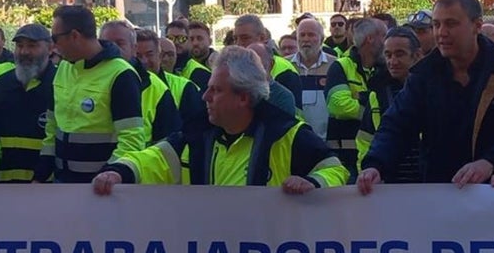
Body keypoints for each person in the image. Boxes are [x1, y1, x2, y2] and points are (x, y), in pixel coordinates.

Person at [357, 0, 494, 193]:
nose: (441, 32)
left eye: (451, 24)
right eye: (436, 25)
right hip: (441, 194)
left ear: (477, 26)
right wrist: (375, 165)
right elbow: (397, 124)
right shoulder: (424, 75)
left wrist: (491, 161)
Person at [92, 46, 348, 191]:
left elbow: (336, 169)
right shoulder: (195, 134)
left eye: (216, 90)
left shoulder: (288, 134)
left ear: (244, 98)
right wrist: (119, 171)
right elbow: (154, 159)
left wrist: (313, 183)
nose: (205, 97)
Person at [46, 5, 143, 182]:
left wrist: (109, 175)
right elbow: (52, 126)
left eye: (55, 38)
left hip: (101, 190)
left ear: (74, 36)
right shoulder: (63, 68)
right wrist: (42, 171)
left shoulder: (121, 74)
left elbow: (132, 140)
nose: (53, 45)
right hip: (62, 183)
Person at [0, 24, 55, 182]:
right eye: (20, 46)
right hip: (3, 186)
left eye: (32, 46)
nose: (24, 52)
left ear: (50, 48)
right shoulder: (1, 84)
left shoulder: (59, 84)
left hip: (48, 186)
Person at [356, 27, 422, 184]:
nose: (393, 61)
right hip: (389, 184)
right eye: (388, 55)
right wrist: (368, 170)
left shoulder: (433, 89)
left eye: (400, 54)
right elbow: (365, 141)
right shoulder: (377, 93)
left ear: (417, 55)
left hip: (429, 184)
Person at [326, 16, 388, 177]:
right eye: (384, 36)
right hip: (344, 159)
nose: (387, 41)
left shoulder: (387, 69)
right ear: (370, 39)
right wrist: (374, 108)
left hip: (378, 157)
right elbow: (338, 106)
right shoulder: (340, 66)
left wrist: (360, 98)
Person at [100, 20, 180, 144]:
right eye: (107, 43)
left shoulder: (156, 87)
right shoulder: (86, 77)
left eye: (119, 43)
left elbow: (168, 144)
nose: (112, 48)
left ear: (133, 48)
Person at [137, 28, 205, 134]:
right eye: (138, 56)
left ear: (159, 56)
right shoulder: (122, 86)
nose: (144, 61)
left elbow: (196, 134)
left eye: (149, 54)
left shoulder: (185, 88)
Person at [233, 14, 303, 104]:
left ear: (262, 38)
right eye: (235, 39)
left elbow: (294, 113)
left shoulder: (285, 69)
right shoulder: (231, 67)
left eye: (245, 38)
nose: (238, 43)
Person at [293, 16, 333, 138]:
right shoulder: (286, 66)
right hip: (294, 139)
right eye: (302, 35)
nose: (306, 39)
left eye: (311, 35)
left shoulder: (335, 65)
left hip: (326, 139)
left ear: (322, 39)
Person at [247, 43, 298, 117]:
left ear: (271, 64)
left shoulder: (282, 96)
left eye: (257, 63)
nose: (251, 68)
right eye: (247, 63)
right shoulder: (236, 91)